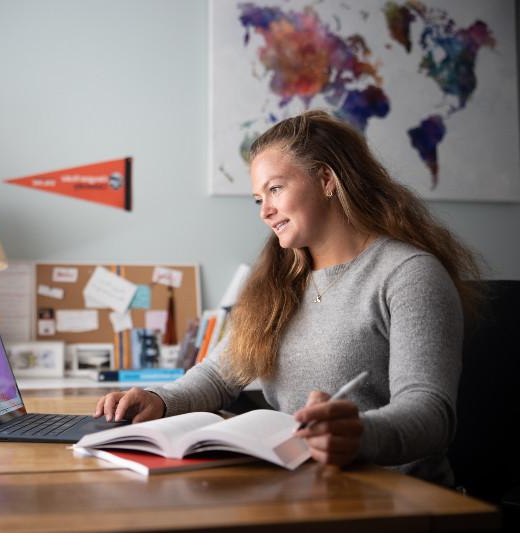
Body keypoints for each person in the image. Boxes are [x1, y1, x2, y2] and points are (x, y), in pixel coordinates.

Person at [93, 110, 481, 486]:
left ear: (327, 180)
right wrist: (158, 399)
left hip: (397, 498)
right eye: (258, 199)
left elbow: (431, 413)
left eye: (275, 189)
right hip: (303, 488)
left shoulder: (409, 274)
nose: (265, 211)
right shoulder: (279, 281)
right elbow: (218, 374)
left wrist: (359, 434)